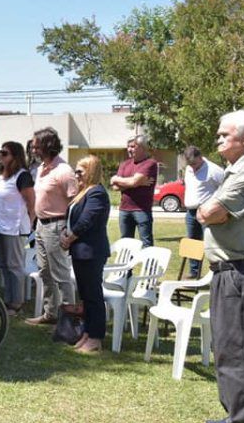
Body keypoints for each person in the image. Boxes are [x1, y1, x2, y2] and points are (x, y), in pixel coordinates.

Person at [197, 109, 244, 423]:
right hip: (227, 271)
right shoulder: (235, 170)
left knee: (238, 350)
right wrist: (212, 213)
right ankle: (234, 413)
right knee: (225, 347)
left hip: (240, 270)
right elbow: (209, 212)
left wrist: (212, 213)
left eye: (226, 135)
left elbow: (209, 212)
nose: (219, 139)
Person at [26, 128, 77, 326]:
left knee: (61, 274)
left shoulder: (63, 171)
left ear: (47, 146)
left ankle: (69, 320)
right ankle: (51, 313)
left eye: (36, 146)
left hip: (57, 226)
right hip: (41, 225)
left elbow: (75, 202)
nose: (33, 149)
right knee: (44, 271)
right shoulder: (41, 168)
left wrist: (69, 231)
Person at [59, 155, 110, 354]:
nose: (76, 175)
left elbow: (87, 220)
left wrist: (69, 238)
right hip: (80, 251)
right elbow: (72, 218)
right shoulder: (83, 193)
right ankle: (87, 333)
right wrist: (65, 232)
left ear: (90, 171)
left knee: (93, 295)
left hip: (91, 251)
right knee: (85, 296)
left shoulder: (96, 192)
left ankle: (96, 337)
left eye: (80, 171)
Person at [0, 141, 35, 315]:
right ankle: (7, 300)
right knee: (4, 265)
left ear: (15, 156)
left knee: (14, 266)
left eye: (4, 153)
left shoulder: (22, 176)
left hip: (13, 228)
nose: (0, 156)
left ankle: (17, 303)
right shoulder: (0, 177)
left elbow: (31, 203)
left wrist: (27, 224)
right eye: (0, 153)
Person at [182, 145, 224, 278]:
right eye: (189, 164)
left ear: (200, 157)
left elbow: (225, 188)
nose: (192, 167)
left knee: (212, 242)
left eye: (194, 163)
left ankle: (218, 271)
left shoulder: (214, 170)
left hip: (208, 212)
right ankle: (194, 272)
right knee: (193, 242)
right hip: (191, 212)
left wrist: (216, 206)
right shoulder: (188, 169)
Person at [110, 135, 158, 247]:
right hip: (124, 210)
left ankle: (148, 265)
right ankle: (126, 265)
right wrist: (135, 182)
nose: (129, 149)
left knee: (146, 243)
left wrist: (117, 179)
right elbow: (115, 187)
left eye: (133, 146)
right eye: (128, 147)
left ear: (142, 147)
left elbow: (133, 182)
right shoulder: (124, 164)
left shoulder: (150, 163)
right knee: (125, 244)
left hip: (142, 210)